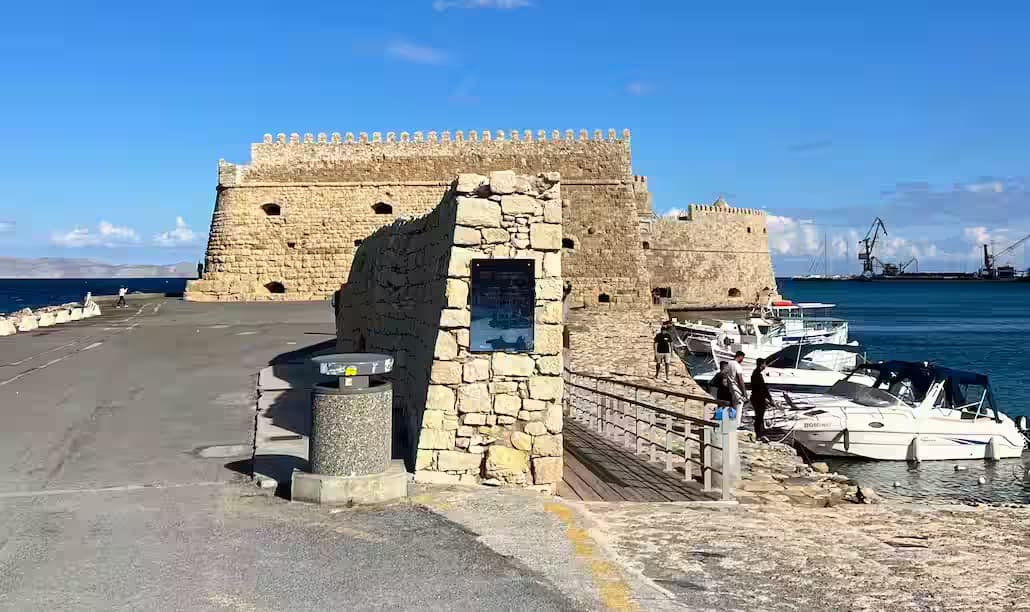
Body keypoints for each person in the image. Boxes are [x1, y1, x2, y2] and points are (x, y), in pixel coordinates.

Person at [750, 357, 775, 441]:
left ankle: (759, 434)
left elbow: (763, 388)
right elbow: (761, 389)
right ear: (761, 364)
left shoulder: (756, 373)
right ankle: (758, 435)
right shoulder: (757, 375)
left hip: (757, 398)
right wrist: (767, 399)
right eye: (764, 364)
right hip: (758, 399)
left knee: (759, 416)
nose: (765, 365)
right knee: (759, 417)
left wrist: (769, 398)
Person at [727, 350, 748, 420]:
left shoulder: (729, 363)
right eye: (742, 358)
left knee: (733, 408)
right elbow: (740, 380)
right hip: (737, 389)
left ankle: (732, 423)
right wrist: (745, 393)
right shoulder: (737, 365)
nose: (742, 360)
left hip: (731, 388)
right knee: (739, 407)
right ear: (740, 357)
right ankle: (736, 425)